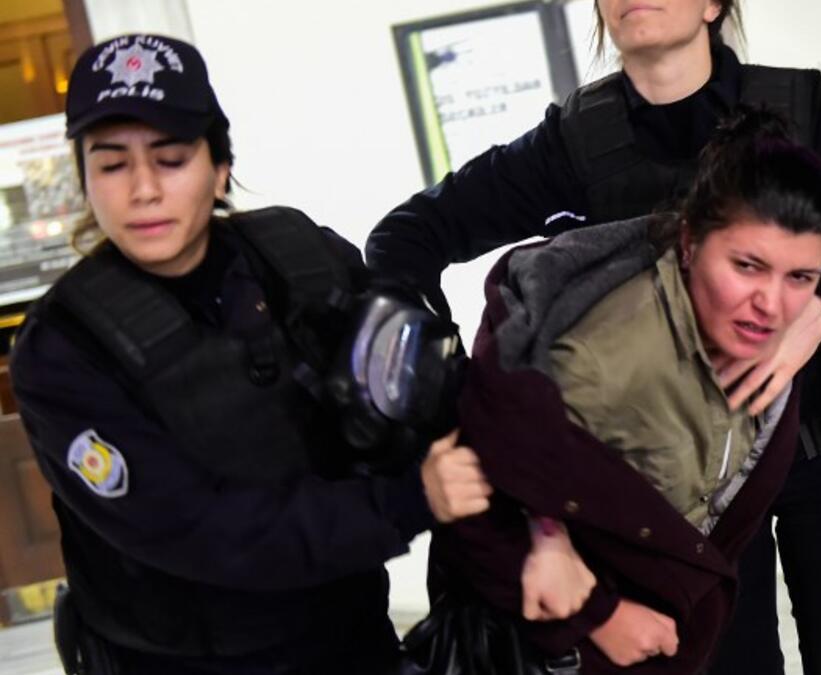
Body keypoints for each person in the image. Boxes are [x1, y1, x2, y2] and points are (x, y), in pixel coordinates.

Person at [367, 2, 821, 673]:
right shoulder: (578, 141)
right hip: (683, 489)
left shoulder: (801, 109)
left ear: (713, 5)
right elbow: (406, 236)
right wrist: (445, 384)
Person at [10, 34, 491, 675]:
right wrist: (407, 499)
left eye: (171, 157)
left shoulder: (303, 259)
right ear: (86, 180)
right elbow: (197, 529)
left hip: (351, 640)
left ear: (219, 165)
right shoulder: (62, 350)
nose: (144, 189)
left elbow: (433, 396)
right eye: (112, 163)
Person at [433, 108, 821, 674]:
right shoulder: (600, 358)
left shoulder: (763, 331)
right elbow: (472, 505)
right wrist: (596, 617)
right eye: (747, 266)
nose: (771, 302)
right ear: (689, 243)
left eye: (799, 278)